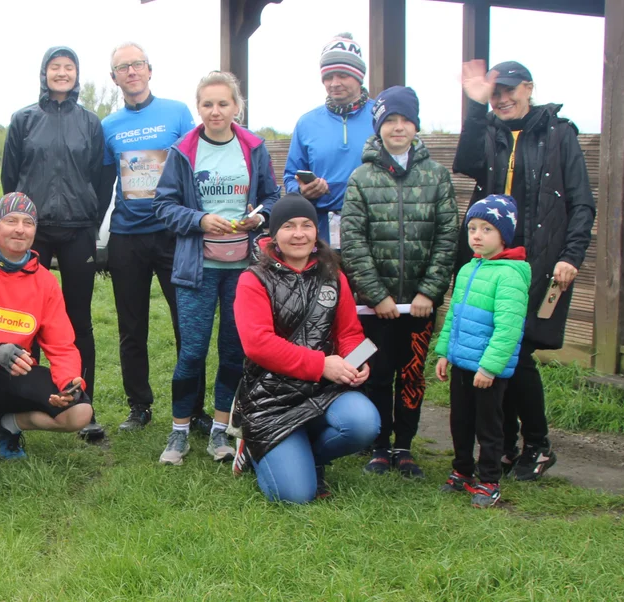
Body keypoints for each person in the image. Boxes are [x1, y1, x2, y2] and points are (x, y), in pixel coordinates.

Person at [453, 59, 595, 481]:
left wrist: (571, 256)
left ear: (528, 88)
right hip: (492, 263)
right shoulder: (491, 132)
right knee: (503, 353)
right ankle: (511, 444)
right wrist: (477, 108)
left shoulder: (559, 133)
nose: (502, 98)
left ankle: (538, 444)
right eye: (495, 92)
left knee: (520, 351)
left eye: (509, 90)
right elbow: (465, 161)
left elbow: (580, 201)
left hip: (541, 265)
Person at [152, 71, 278, 465]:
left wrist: (261, 217)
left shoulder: (254, 148)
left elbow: (272, 197)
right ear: (198, 107)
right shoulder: (183, 150)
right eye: (207, 104)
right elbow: (163, 206)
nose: (215, 111)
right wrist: (200, 220)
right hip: (197, 268)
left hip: (244, 269)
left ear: (237, 106)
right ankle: (178, 434)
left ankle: (220, 432)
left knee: (232, 352)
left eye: (223, 103)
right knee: (191, 352)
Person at [340, 86, 459, 479]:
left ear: (415, 125)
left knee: (411, 375)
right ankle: (377, 445)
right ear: (378, 127)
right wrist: (377, 296)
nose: (398, 127)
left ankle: (404, 447)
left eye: (405, 119)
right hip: (375, 308)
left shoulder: (437, 176)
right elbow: (353, 242)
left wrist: (430, 291)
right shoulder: (361, 178)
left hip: (419, 307)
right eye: (389, 120)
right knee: (376, 372)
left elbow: (447, 237)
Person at [233, 194, 380, 504]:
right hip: (270, 398)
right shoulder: (252, 280)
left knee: (364, 424)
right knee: (296, 495)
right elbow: (258, 345)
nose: (298, 233)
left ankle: (306, 454)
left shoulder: (334, 276)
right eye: (288, 226)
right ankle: (254, 446)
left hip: (323, 391)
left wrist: (356, 360)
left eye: (306, 225)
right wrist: (322, 364)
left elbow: (349, 332)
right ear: (274, 234)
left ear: (316, 232)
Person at [0, 193, 93, 483]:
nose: (20, 229)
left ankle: (7, 425)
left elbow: (61, 344)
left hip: (15, 370)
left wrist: (69, 383)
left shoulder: (45, 280)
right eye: (11, 221)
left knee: (80, 413)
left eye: (28, 222)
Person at [1, 46, 109, 441]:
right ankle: (26, 404)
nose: (61, 73)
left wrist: (91, 216)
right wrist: (19, 225)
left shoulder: (90, 122)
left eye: (68, 68)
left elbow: (100, 176)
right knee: (27, 323)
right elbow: (11, 176)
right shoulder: (24, 119)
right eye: (54, 67)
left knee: (78, 320)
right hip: (35, 232)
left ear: (76, 75)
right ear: (43, 73)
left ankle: (84, 405)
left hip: (79, 229)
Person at [99, 42, 195, 433]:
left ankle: (189, 407)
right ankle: (139, 405)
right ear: (115, 78)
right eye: (123, 67)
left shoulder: (177, 112)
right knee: (131, 327)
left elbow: (193, 166)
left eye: (137, 64)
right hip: (127, 235)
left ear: (150, 70)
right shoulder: (108, 126)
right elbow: (104, 181)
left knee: (184, 324)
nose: (132, 72)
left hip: (172, 234)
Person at [435, 196, 531, 508]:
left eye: (486, 229)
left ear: (504, 234)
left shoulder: (510, 276)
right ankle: (462, 470)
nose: (476, 235)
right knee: (460, 420)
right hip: (462, 363)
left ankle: (489, 479)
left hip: (487, 371)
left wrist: (489, 367)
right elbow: (454, 315)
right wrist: (444, 352)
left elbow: (508, 329)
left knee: (488, 426)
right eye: (472, 228)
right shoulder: (467, 270)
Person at [283, 33, 375, 248]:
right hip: (321, 233)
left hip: (373, 231)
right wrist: (301, 191)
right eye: (328, 76)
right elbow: (290, 176)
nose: (334, 83)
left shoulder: (381, 118)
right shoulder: (307, 123)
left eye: (343, 75)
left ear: (359, 76)